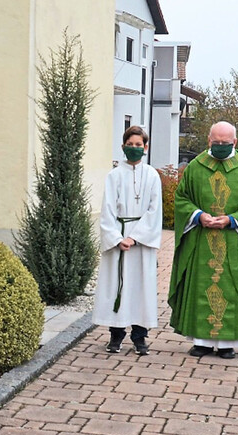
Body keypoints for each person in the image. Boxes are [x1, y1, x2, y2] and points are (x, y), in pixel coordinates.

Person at [168, 121, 238, 359]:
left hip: (235, 243)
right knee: (202, 286)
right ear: (208, 141)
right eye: (216, 143)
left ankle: (227, 344)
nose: (221, 146)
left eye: (225, 143)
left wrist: (232, 220)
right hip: (201, 242)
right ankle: (201, 341)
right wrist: (198, 215)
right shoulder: (195, 167)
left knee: (232, 288)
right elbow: (181, 198)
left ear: (235, 142)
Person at [93, 126, 162, 355]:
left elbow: (154, 211)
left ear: (146, 147)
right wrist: (117, 238)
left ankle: (140, 337)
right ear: (123, 146)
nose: (134, 149)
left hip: (141, 242)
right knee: (118, 286)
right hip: (119, 238)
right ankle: (116, 335)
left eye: (138, 145)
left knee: (141, 288)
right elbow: (108, 211)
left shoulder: (152, 175)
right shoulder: (114, 175)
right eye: (130, 145)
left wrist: (135, 237)